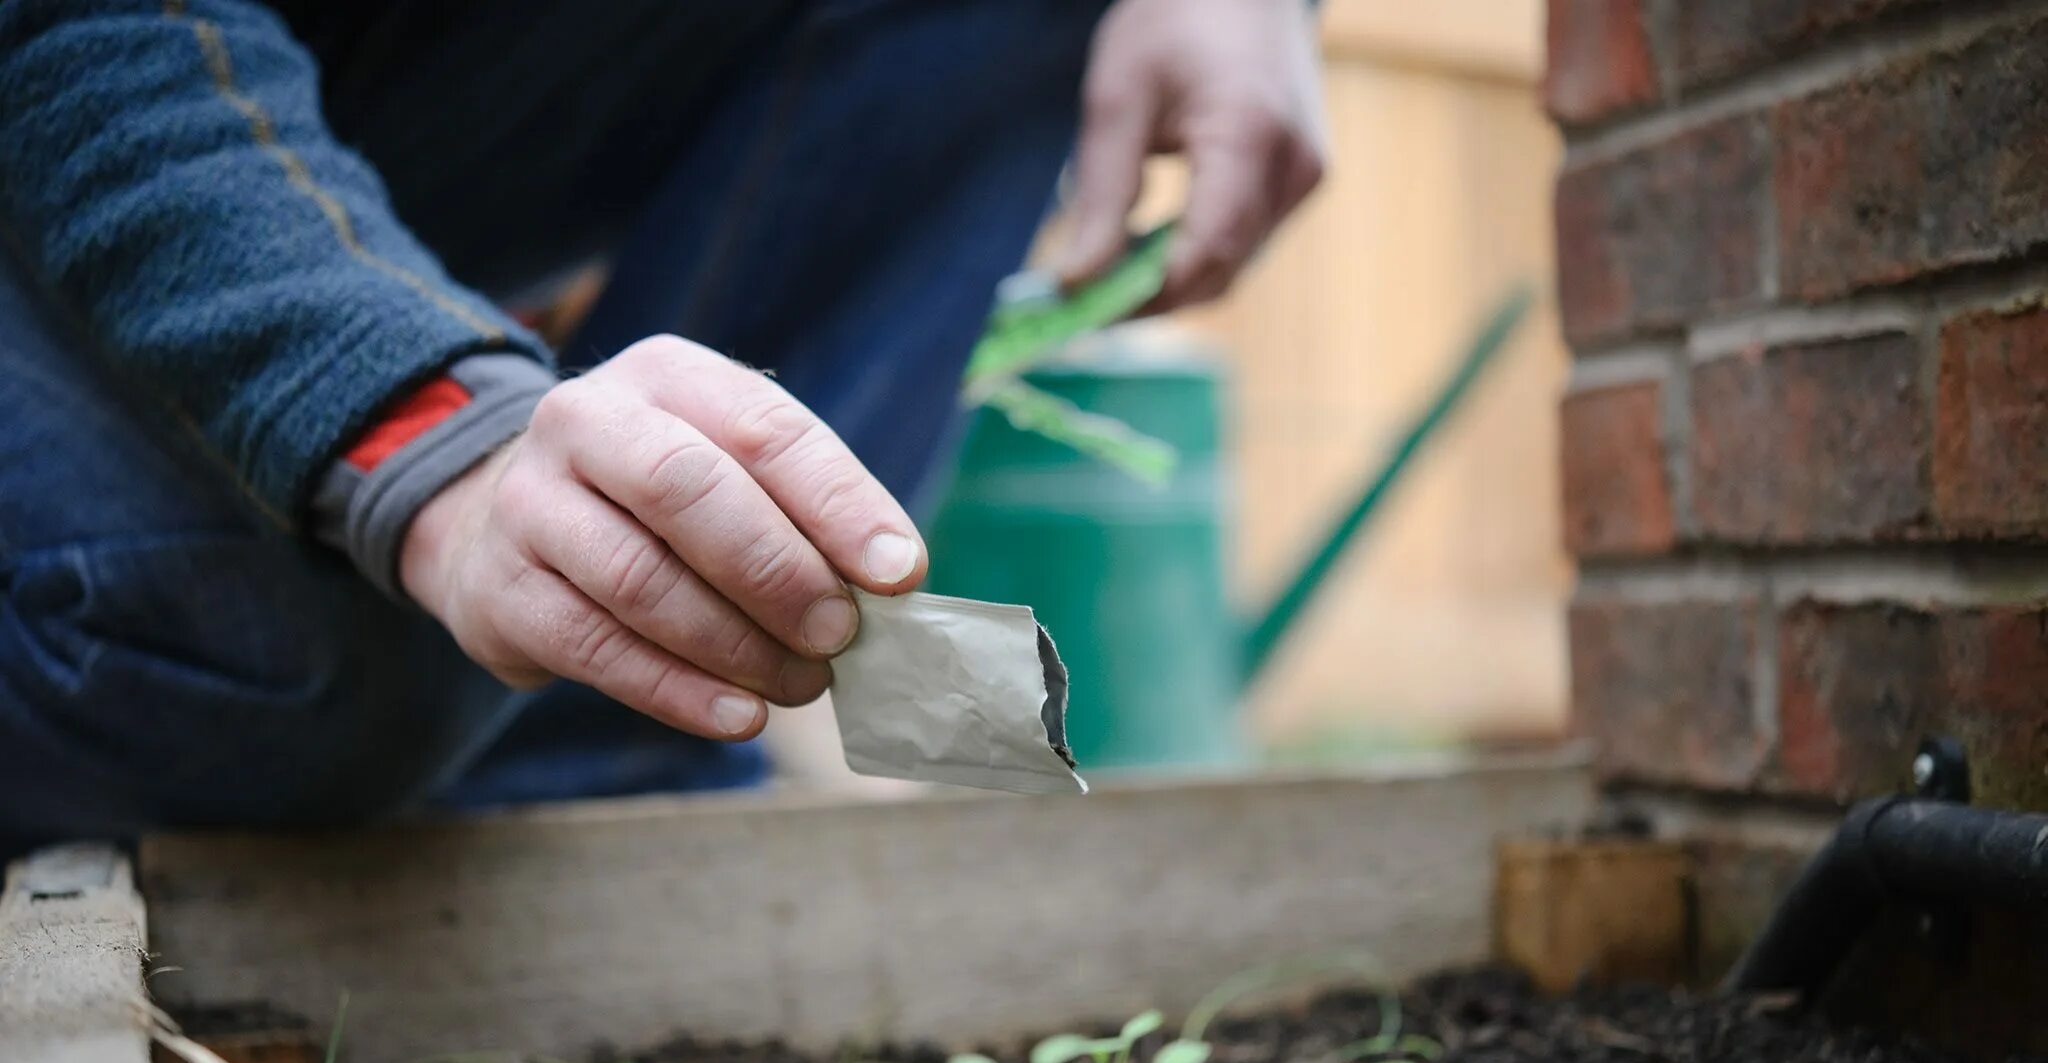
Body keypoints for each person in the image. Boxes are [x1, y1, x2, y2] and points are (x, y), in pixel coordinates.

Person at [0, 0, 1325, 858]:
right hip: (87, 117)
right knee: (313, 661)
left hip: (372, 109)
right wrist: (430, 437)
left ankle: (608, 762)